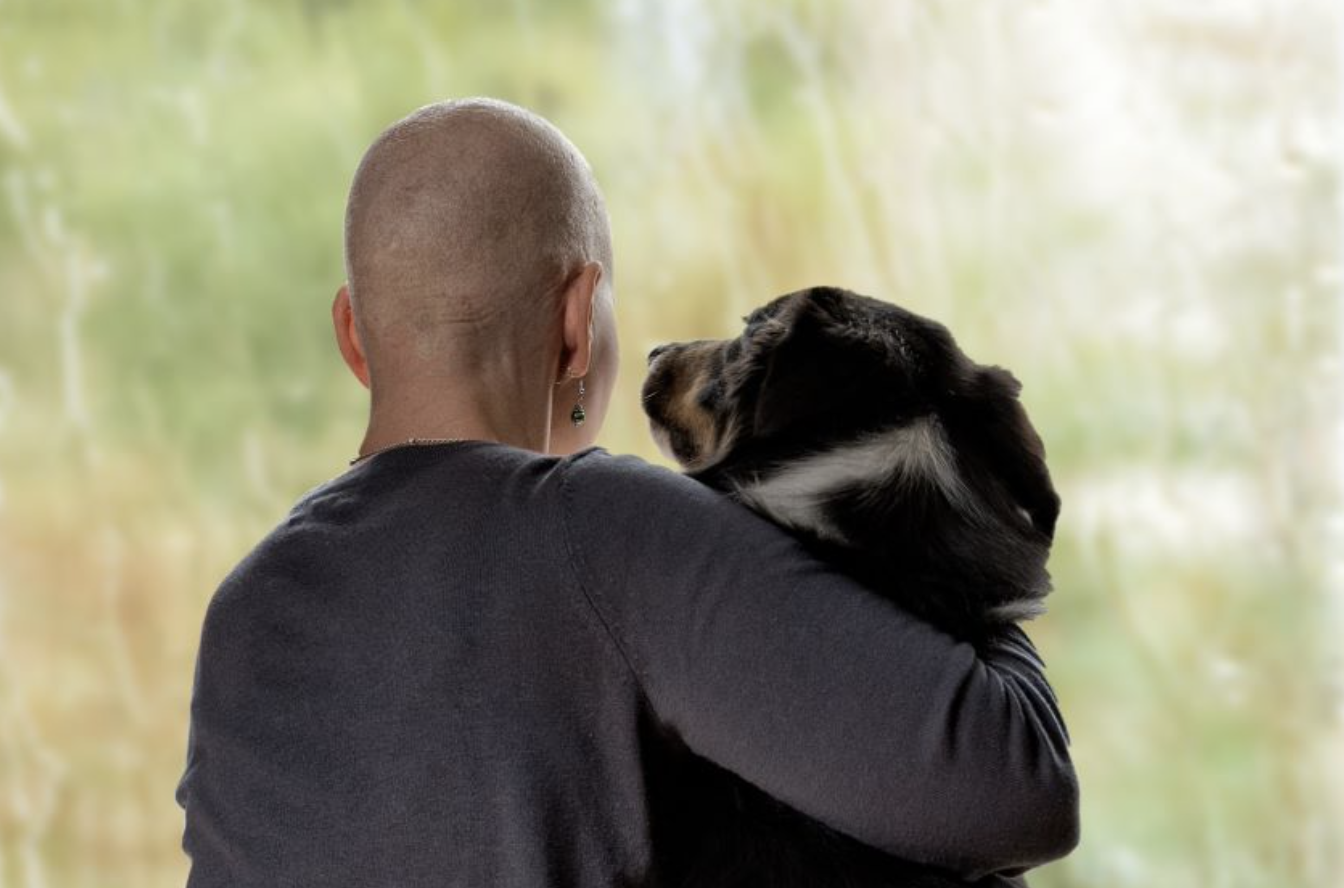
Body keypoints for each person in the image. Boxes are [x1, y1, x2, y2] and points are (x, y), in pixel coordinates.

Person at [174, 97, 1080, 887]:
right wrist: (965, 561)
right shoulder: (600, 531)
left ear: (353, 336)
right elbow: (1019, 793)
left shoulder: (247, 606)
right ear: (577, 325)